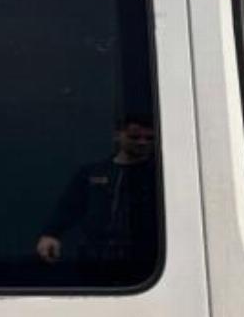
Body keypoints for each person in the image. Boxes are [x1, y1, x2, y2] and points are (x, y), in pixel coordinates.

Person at [36, 114, 158, 271]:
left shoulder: (159, 176)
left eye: (149, 138)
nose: (142, 142)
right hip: (94, 257)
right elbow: (68, 207)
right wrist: (51, 234)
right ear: (118, 135)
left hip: (145, 260)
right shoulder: (93, 172)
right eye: (134, 137)